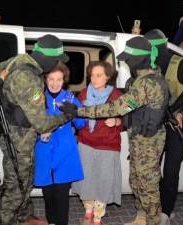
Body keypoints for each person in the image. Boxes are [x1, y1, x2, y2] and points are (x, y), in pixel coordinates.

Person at [59, 36, 169, 225]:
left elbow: (117, 107)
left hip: (149, 142)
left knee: (148, 186)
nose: (127, 62)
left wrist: (79, 111)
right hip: (140, 141)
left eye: (130, 59)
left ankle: (155, 221)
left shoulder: (148, 83)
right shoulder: (139, 81)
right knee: (137, 182)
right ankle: (141, 218)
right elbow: (130, 111)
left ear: (141, 58)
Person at [0, 34, 72, 225]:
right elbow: (42, 124)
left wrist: (7, 97)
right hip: (18, 140)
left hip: (12, 132)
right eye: (57, 60)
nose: (57, 63)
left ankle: (24, 217)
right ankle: (8, 220)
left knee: (24, 180)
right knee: (15, 187)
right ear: (49, 58)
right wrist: (66, 116)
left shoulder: (18, 60)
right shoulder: (30, 78)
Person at [143, 29, 183, 225]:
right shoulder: (150, 66)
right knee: (153, 169)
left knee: (171, 171)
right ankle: (157, 206)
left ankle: (167, 212)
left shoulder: (180, 65)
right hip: (157, 125)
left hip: (177, 126)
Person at [33, 62, 85, 225]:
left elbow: (81, 124)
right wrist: (38, 134)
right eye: (51, 79)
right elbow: (28, 125)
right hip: (43, 154)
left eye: (59, 79)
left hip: (64, 155)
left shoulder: (70, 98)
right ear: (45, 79)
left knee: (62, 198)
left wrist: (74, 114)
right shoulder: (37, 99)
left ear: (64, 81)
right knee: (48, 197)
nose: (54, 83)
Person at [71, 61, 123, 225]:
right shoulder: (83, 94)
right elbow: (77, 116)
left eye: (99, 75)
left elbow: (127, 115)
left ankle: (98, 216)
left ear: (107, 77)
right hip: (86, 143)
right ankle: (88, 210)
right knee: (87, 179)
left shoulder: (116, 95)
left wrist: (116, 121)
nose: (94, 78)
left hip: (108, 145)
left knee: (104, 180)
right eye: (92, 75)